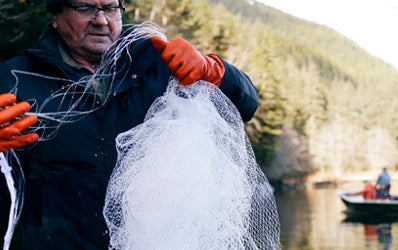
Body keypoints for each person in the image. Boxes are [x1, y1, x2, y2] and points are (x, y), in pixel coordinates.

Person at [0, 0, 259, 248]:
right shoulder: (14, 78)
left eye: (110, 8)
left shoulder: (157, 63)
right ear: (56, 15)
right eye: (85, 8)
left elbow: (246, 104)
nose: (101, 20)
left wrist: (214, 71)